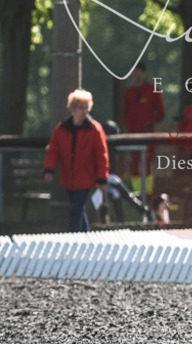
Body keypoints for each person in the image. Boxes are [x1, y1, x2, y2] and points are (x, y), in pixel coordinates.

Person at [43, 89, 109, 232]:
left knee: (75, 208)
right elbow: (54, 150)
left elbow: (101, 154)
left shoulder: (95, 129)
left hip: (86, 178)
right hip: (68, 177)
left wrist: (102, 178)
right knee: (78, 208)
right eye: (81, 108)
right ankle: (86, 236)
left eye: (86, 107)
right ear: (73, 108)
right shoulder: (62, 128)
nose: (84, 111)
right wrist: (49, 169)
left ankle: (73, 238)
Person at [123, 61, 165, 179]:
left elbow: (161, 113)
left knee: (147, 165)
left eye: (138, 71)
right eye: (134, 72)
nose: (136, 75)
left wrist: (149, 123)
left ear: (144, 73)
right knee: (134, 165)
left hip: (147, 136)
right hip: (132, 135)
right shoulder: (129, 92)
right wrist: (129, 127)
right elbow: (125, 112)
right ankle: (136, 194)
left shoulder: (153, 90)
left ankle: (147, 195)